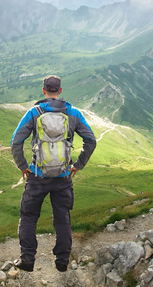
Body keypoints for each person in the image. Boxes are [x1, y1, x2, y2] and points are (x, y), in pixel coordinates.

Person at [10, 75, 96, 272]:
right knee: (62, 218)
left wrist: (23, 166)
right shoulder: (73, 113)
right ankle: (62, 262)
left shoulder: (34, 113)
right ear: (60, 90)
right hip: (64, 177)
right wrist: (78, 165)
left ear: (43, 91)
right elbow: (91, 140)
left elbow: (16, 141)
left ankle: (28, 259)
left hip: (37, 176)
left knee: (29, 217)